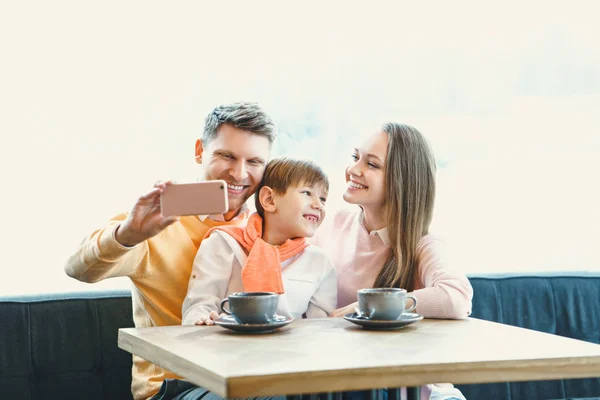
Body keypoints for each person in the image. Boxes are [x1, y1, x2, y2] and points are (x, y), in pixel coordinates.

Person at [64, 102, 276, 400]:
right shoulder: (157, 222)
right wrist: (128, 233)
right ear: (200, 151)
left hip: (247, 381)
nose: (239, 173)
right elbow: (77, 268)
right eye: (226, 156)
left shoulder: (267, 229)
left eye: (254, 162)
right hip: (175, 387)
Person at [317, 123, 473, 400]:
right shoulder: (335, 224)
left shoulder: (422, 244)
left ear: (403, 180)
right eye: (356, 157)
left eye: (372, 164)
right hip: (350, 385)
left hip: (422, 393)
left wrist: (376, 305)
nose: (353, 170)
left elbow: (457, 296)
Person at [182, 157, 337, 327]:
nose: (318, 205)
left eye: (323, 199)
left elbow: (319, 327)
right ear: (269, 200)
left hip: (289, 350)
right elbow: (198, 306)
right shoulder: (223, 243)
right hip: (225, 347)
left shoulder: (320, 261)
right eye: (307, 193)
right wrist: (202, 320)